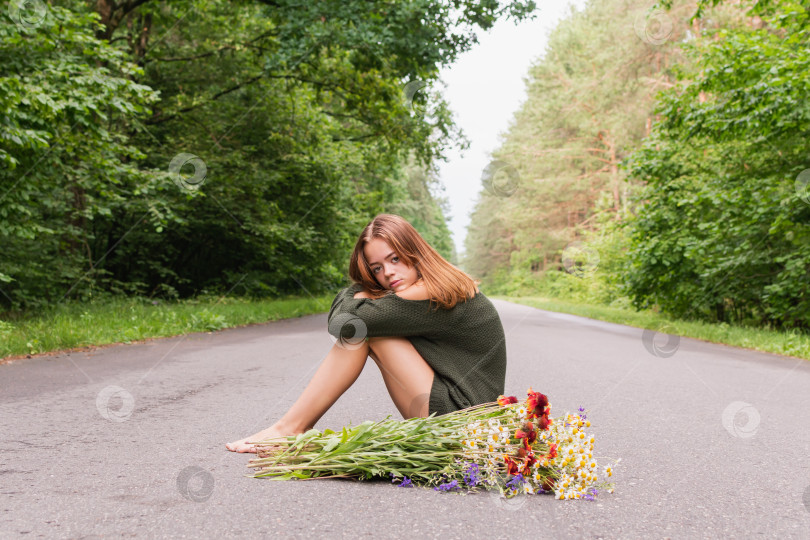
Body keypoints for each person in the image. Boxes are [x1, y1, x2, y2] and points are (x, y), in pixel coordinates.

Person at [226, 213, 507, 453]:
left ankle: (290, 428)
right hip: (467, 419)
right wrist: (364, 286)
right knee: (367, 326)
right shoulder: (442, 281)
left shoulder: (431, 291)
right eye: (377, 268)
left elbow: (343, 324)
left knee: (364, 332)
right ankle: (289, 427)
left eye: (395, 258)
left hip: (462, 423)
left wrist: (360, 288)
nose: (388, 273)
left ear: (415, 252)